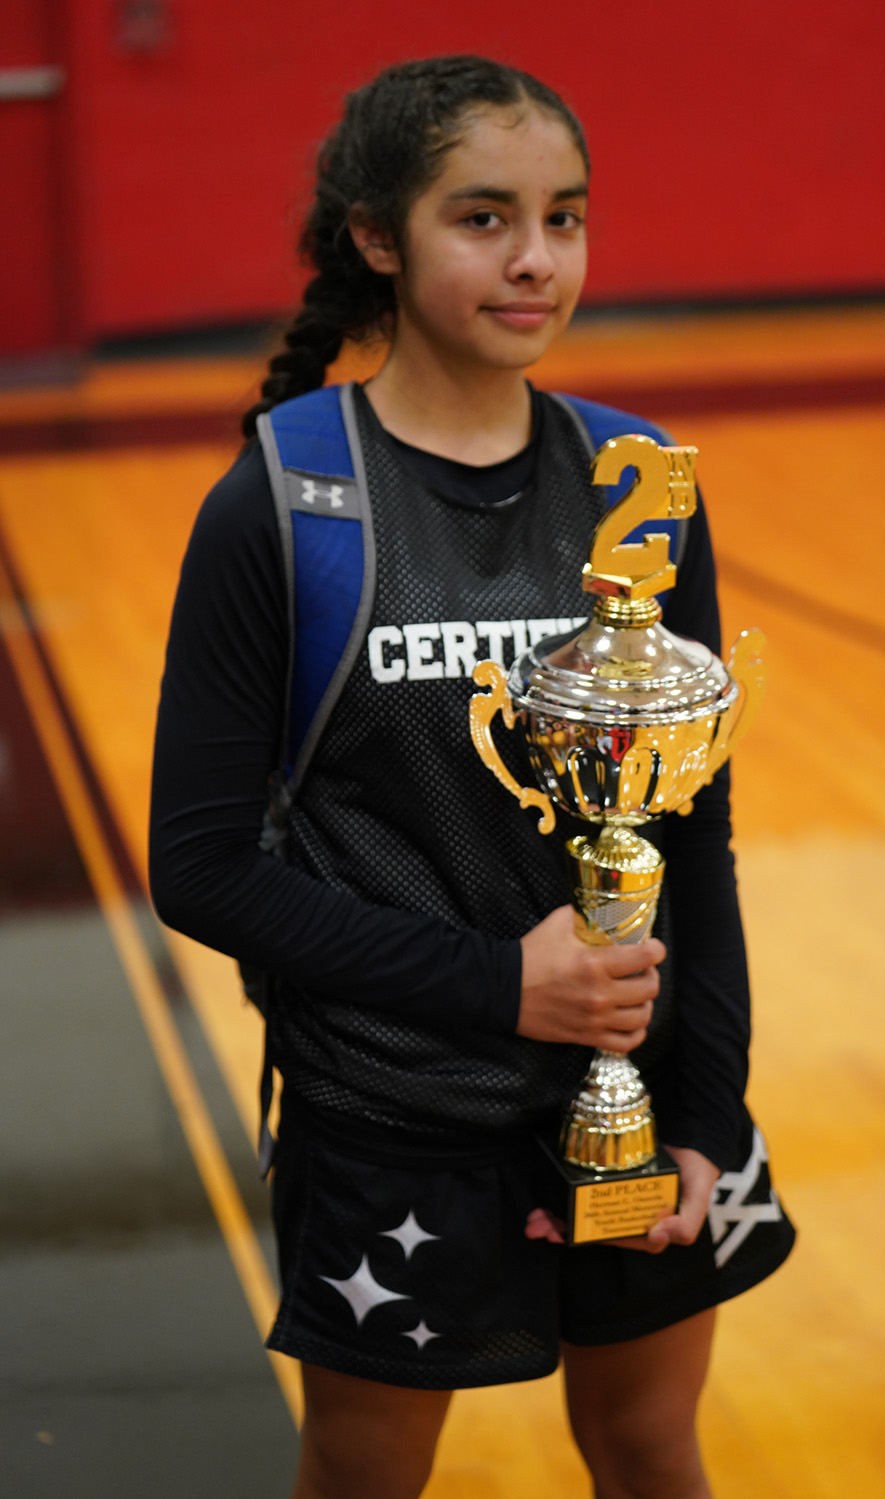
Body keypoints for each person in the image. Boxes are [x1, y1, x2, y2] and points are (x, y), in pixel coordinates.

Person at [149, 54, 794, 1499]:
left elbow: (695, 835)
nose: (536, 260)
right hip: (398, 1118)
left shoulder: (638, 483)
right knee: (367, 1476)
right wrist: (502, 986)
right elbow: (201, 869)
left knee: (650, 1446)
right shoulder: (283, 501)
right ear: (378, 237)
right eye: (484, 217)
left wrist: (706, 1108)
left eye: (567, 218)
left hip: (637, 1092)